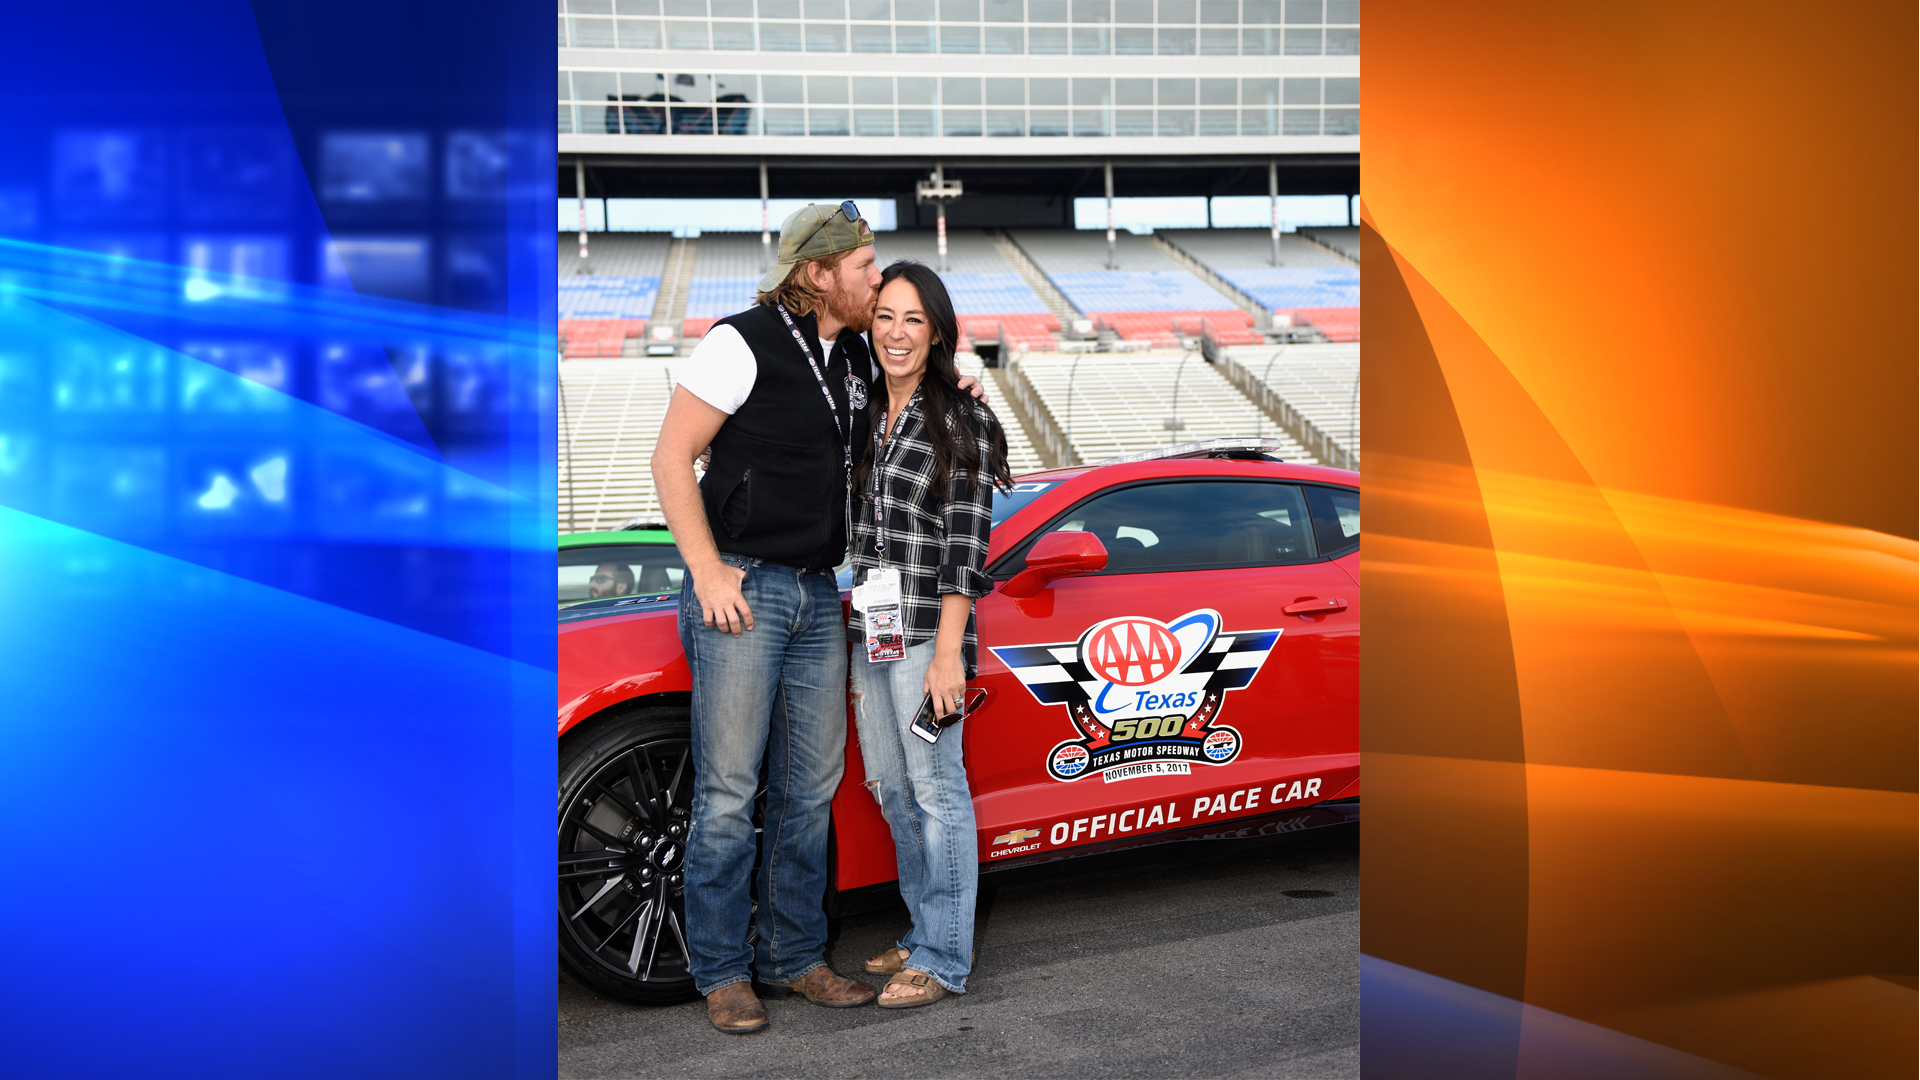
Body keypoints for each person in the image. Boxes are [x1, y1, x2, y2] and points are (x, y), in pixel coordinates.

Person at [650, 204, 988, 1035]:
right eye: (866, 268)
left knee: (810, 791)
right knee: (731, 793)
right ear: (818, 273)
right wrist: (706, 569)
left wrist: (967, 368)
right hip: (747, 589)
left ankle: (795, 956)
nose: (877, 283)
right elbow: (669, 456)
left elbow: (930, 389)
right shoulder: (739, 341)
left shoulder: (851, 360)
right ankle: (726, 972)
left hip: (820, 596)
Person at [845, 261, 1011, 1009]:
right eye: (885, 315)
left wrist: (949, 652)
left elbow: (965, 543)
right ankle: (922, 928)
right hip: (870, 627)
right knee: (890, 786)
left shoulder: (960, 415)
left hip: (924, 635)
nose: (897, 331)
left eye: (913, 318)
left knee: (937, 788)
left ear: (937, 330)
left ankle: (945, 956)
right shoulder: (865, 407)